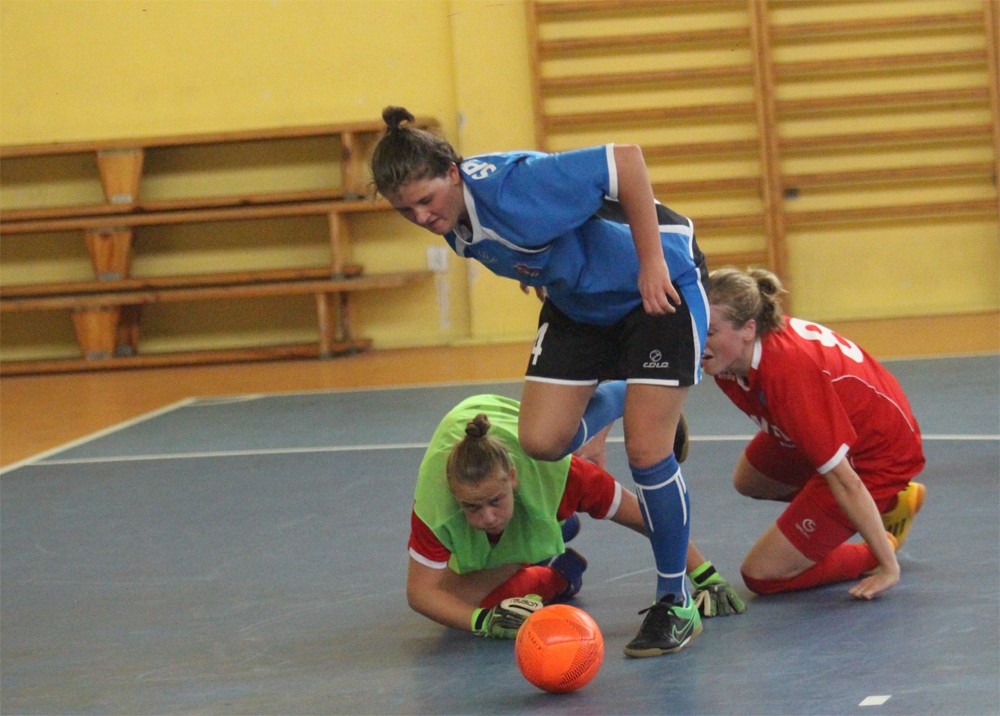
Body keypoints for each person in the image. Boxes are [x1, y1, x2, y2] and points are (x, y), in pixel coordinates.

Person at [374, 106, 710, 657]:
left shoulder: (514, 186)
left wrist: (651, 263)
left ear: (453, 173)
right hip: (578, 304)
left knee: (648, 452)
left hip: (655, 288)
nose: (421, 216)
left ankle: (675, 601)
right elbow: (531, 242)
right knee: (541, 441)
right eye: (405, 210)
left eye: (426, 200)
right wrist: (537, 271)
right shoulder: (454, 221)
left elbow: (627, 161)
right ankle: (629, 395)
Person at [407, 394, 745, 641]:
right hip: (509, 489)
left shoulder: (562, 475)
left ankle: (634, 396)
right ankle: (558, 565)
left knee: (470, 600)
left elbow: (647, 517)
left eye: (495, 501)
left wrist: (704, 574)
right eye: (472, 507)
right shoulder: (436, 507)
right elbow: (421, 594)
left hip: (525, 454)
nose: (488, 516)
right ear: (456, 498)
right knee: (459, 602)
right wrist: (484, 621)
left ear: (512, 477)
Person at [700, 266, 927, 599]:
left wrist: (887, 565)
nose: (698, 341)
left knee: (762, 574)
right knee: (750, 479)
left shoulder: (786, 374)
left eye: (709, 331)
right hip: (840, 421)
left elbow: (845, 480)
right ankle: (885, 505)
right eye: (695, 326)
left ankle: (880, 541)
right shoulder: (733, 353)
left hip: (875, 455)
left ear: (748, 328)